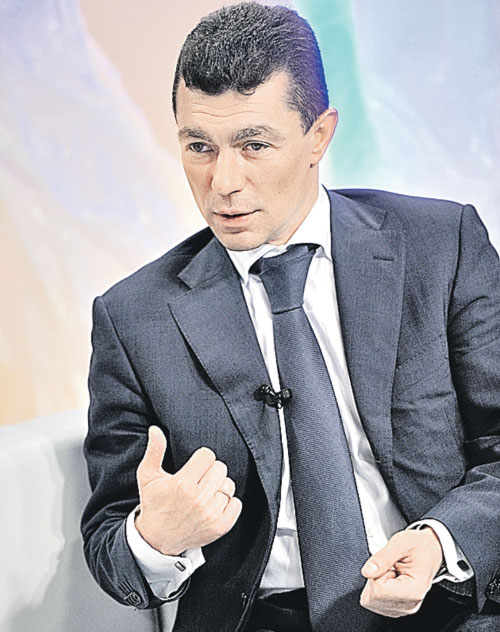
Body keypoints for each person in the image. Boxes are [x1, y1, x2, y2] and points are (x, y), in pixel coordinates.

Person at [81, 3, 500, 631]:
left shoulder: (441, 245)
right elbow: (109, 544)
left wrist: (442, 541)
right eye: (199, 147)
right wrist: (156, 538)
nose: (223, 182)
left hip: (447, 602)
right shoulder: (133, 317)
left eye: (254, 145)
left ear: (320, 135)